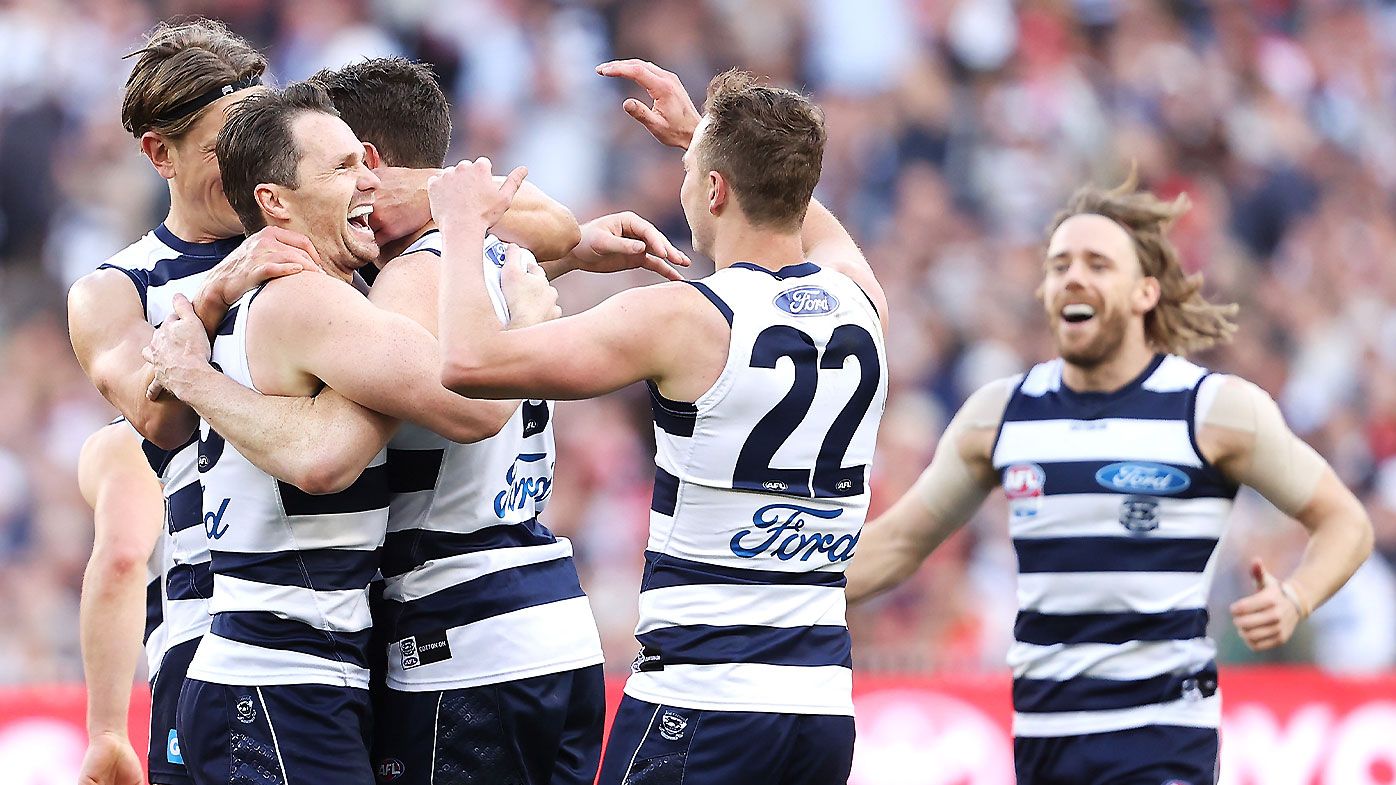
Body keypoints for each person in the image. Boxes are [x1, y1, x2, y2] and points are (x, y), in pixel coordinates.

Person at [145, 56, 686, 785]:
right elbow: (345, 449)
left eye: (363, 165)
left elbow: (546, 232)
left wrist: (553, 252)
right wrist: (523, 311)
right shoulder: (353, 293)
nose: (365, 183)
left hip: (419, 638)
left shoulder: (398, 283)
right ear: (277, 200)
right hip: (307, 663)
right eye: (341, 168)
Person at [426, 60, 889, 785]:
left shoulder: (684, 317)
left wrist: (457, 225)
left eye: (692, 170)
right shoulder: (863, 302)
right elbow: (806, 218)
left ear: (714, 189)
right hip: (821, 709)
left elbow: (469, 364)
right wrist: (706, 137)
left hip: (701, 700)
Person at [844, 176, 1375, 784]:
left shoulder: (1213, 410)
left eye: (1098, 264)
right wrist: (768, 597)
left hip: (1162, 737)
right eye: (1060, 265)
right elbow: (899, 543)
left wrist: (1296, 596)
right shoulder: (1000, 416)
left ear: (1145, 291)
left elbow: (1345, 521)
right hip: (1044, 741)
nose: (1074, 277)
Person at [65, 21, 312, 785]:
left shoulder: (321, 234)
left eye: (259, 142)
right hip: (217, 634)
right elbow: (161, 420)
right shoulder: (119, 290)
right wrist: (215, 297)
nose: (248, 170)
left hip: (357, 623)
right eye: (220, 149)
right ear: (159, 154)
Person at [75, 421, 166, 785]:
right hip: (331, 670)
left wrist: (107, 730)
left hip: (190, 688)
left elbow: (121, 559)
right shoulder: (292, 404)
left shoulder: (121, 443)